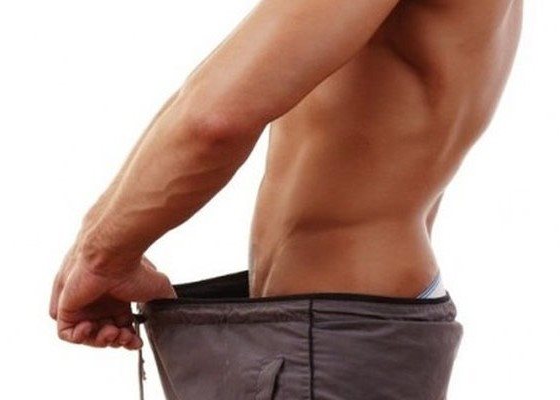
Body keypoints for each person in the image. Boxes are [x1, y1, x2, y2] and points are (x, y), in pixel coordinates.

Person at [49, 0, 522, 397]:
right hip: (348, 321)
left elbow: (215, 119)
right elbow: (208, 88)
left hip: (329, 333)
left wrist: (101, 256)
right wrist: (96, 239)